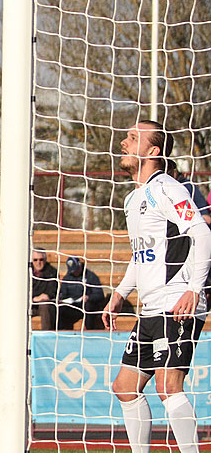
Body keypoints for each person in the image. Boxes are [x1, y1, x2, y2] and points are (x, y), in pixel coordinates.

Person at [103, 120, 211, 453]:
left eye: (133, 137)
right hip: (151, 307)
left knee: (168, 385)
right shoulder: (133, 199)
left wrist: (194, 288)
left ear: (153, 151)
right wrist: (121, 293)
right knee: (125, 386)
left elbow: (202, 233)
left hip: (177, 301)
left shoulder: (168, 188)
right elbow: (142, 254)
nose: (124, 142)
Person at [56, 256, 103, 330]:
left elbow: (99, 295)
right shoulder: (67, 278)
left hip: (86, 306)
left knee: (89, 306)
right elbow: (63, 294)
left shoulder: (91, 276)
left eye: (76, 269)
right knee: (60, 308)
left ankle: (89, 330)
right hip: (73, 306)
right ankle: (62, 331)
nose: (74, 272)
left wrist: (89, 297)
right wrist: (61, 299)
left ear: (80, 265)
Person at [30, 248, 58, 330]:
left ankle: (46, 335)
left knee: (45, 305)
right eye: (35, 260)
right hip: (30, 303)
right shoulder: (25, 272)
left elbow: (52, 292)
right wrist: (34, 298)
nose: (38, 263)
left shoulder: (52, 272)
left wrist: (42, 298)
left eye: (41, 260)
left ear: (45, 260)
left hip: (44, 305)